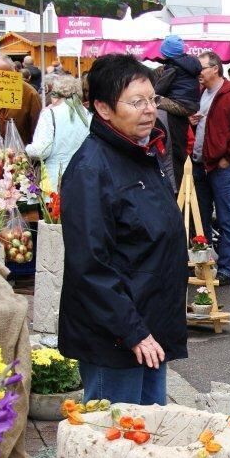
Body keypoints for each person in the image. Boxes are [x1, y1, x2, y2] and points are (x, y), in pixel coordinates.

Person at [58, 53, 186, 405]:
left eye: (152, 100)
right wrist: (134, 332)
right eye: (136, 102)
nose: (149, 110)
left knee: (146, 441)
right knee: (111, 442)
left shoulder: (140, 153)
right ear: (103, 108)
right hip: (116, 338)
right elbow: (91, 266)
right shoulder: (91, 169)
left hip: (147, 328)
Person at [189, 51, 230, 287]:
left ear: (215, 68)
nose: (198, 73)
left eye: (202, 68)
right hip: (200, 165)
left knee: (226, 219)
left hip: (220, 167)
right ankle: (203, 265)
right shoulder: (201, 93)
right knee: (202, 219)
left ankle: (225, 269)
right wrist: (192, 122)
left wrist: (229, 158)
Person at [26, 75, 90, 192]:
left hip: (55, 180)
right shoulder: (88, 115)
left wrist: (27, 149)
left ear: (56, 95)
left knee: (55, 210)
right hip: (83, 179)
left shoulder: (50, 114)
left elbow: (41, 151)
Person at [154, 34, 202, 190]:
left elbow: (160, 88)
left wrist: (153, 94)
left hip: (178, 104)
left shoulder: (172, 68)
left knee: (154, 99)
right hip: (190, 105)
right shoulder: (191, 65)